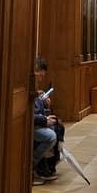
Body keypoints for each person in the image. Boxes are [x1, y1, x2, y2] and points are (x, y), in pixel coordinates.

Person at [32, 55, 63, 184]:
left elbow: (35, 107)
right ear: (36, 70)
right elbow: (30, 114)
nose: (40, 78)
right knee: (50, 136)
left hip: (37, 120)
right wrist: (45, 120)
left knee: (58, 126)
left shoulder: (34, 86)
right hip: (31, 125)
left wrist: (42, 100)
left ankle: (49, 164)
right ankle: (33, 165)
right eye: (40, 75)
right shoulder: (27, 84)